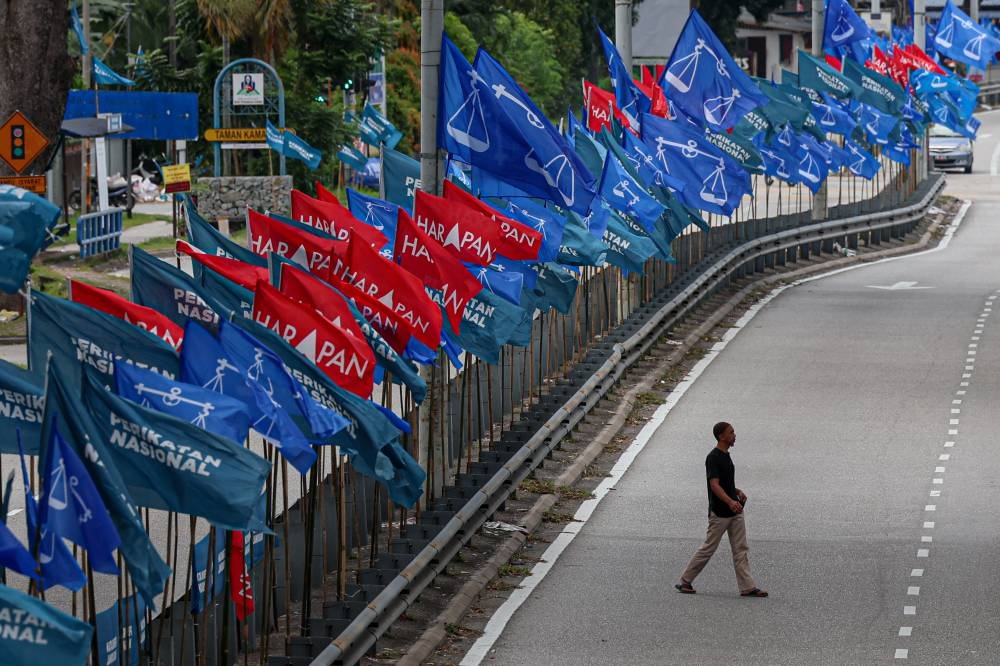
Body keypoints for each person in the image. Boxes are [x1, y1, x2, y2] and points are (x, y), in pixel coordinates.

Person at [675, 421, 768, 597]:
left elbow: (725, 483)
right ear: (721, 436)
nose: (734, 435)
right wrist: (729, 502)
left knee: (741, 548)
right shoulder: (713, 457)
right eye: (731, 432)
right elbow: (714, 485)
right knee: (709, 547)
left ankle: (747, 586)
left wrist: (736, 492)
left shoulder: (726, 456)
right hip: (720, 512)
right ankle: (686, 580)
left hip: (735, 511)